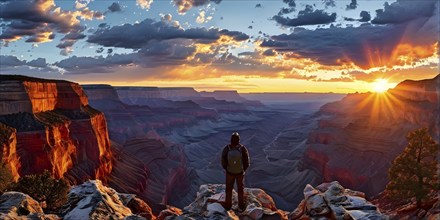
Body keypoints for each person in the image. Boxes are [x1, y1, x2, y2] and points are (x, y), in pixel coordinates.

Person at [221, 132, 250, 211]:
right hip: (240, 173)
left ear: (231, 140)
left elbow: (223, 160)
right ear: (238, 140)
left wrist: (227, 168)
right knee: (240, 189)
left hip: (230, 172)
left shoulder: (227, 148)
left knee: (229, 189)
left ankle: (228, 206)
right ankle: (241, 206)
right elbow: (247, 161)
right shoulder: (242, 148)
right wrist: (243, 170)